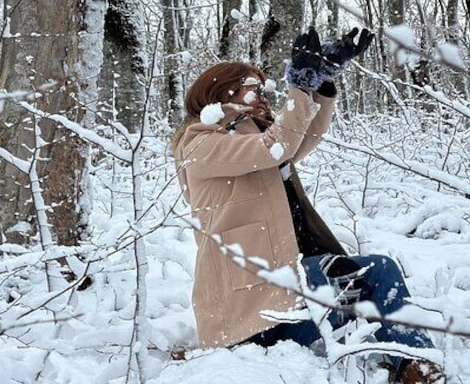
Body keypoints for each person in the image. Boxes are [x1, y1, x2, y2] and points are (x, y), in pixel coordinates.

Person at [172, 27, 443, 383]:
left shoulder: (254, 137)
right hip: (249, 314)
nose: (266, 96)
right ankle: (405, 358)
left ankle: (413, 364)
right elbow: (277, 146)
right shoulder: (200, 144)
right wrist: (299, 86)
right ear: (225, 94)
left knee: (377, 271)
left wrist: (322, 80)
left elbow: (303, 137)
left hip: (286, 300)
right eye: (255, 89)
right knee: (359, 273)